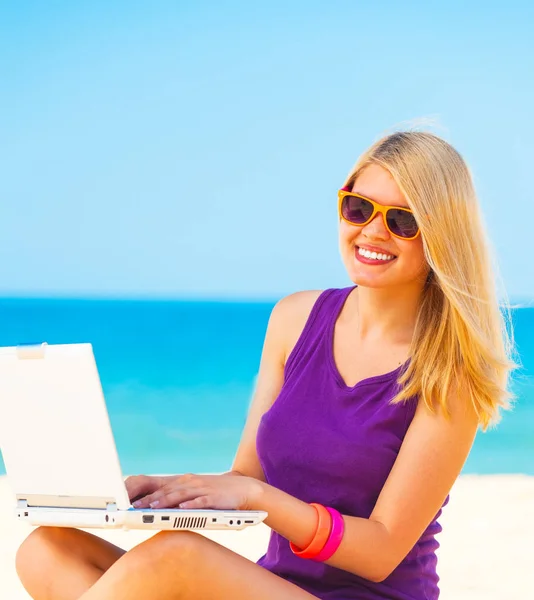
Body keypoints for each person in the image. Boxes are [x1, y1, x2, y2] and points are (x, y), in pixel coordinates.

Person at [15, 131, 516, 600]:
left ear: (441, 234)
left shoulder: (450, 371)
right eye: (359, 208)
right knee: (47, 548)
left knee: (175, 556)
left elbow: (382, 551)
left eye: (401, 221)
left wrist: (260, 498)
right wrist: (169, 490)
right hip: (274, 587)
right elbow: (246, 475)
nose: (371, 231)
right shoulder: (293, 319)